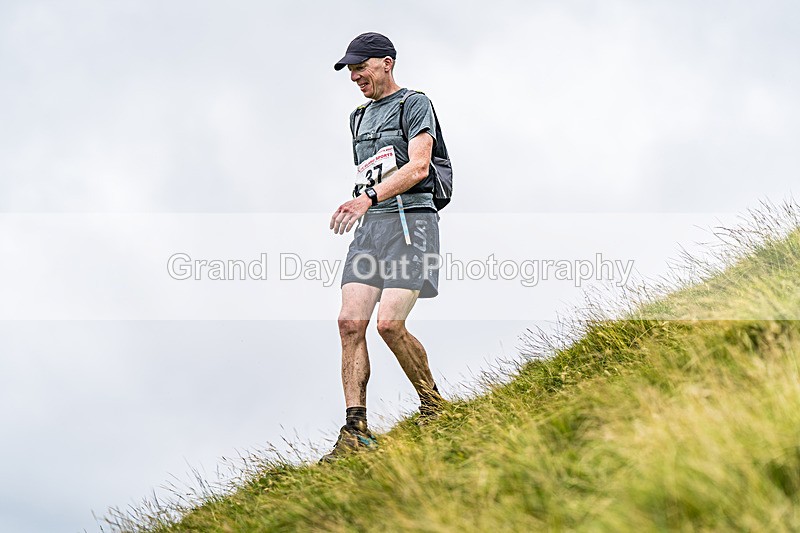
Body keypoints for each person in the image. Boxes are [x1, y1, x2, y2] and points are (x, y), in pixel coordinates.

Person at [322, 32, 447, 461]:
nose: (355, 75)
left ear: (386, 63)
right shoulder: (357, 118)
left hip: (412, 222)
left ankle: (433, 405)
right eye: (350, 70)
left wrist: (366, 199)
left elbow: (418, 166)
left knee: (389, 324)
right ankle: (355, 429)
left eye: (361, 67)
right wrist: (365, 203)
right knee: (349, 322)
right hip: (370, 229)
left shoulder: (415, 103)